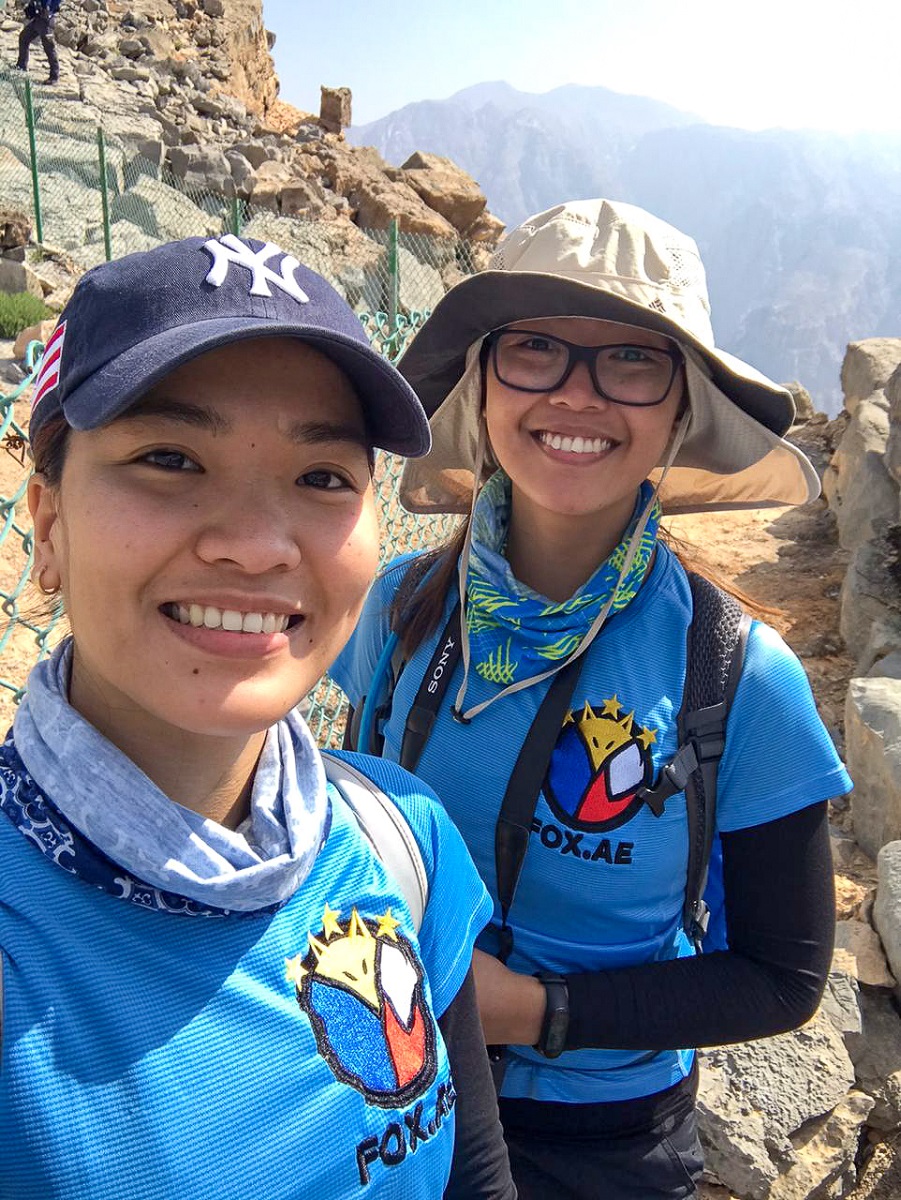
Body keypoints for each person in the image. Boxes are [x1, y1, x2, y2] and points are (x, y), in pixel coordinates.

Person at [332, 198, 853, 1199]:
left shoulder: (737, 674)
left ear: (678, 411)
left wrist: (531, 1011)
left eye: (630, 360)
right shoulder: (395, 609)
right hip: (383, 1099)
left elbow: (782, 978)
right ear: (483, 386)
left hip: (597, 1143)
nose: (576, 394)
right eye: (534, 349)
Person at [0, 234, 517, 1200]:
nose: (255, 545)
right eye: (168, 458)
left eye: (322, 476)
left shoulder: (398, 835)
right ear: (50, 522)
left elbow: (476, 1176)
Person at [15, 0, 62, 84]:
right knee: (24, 38)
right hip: (38, 19)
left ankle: (54, 76)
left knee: (49, 48)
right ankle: (21, 66)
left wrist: (49, 8)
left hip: (46, 22)